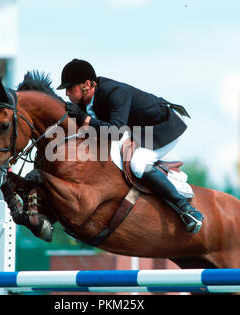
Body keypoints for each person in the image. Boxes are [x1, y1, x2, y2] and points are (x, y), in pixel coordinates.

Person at [57, 59, 204, 233]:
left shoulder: (115, 92)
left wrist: (85, 119)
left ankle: (187, 210)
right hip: (136, 129)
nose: (67, 93)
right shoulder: (84, 101)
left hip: (163, 127)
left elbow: (116, 131)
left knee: (138, 163)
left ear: (87, 85)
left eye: (69, 88)